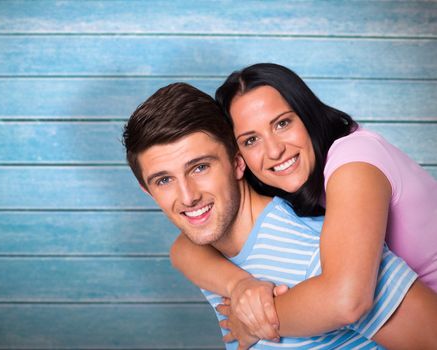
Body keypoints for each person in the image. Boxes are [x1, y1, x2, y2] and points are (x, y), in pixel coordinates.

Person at [122, 82, 437, 349]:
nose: (188, 196)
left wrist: (255, 320)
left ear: (236, 163)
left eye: (200, 167)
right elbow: (182, 251)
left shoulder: (320, 253)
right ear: (147, 190)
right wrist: (238, 285)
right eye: (164, 180)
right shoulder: (210, 250)